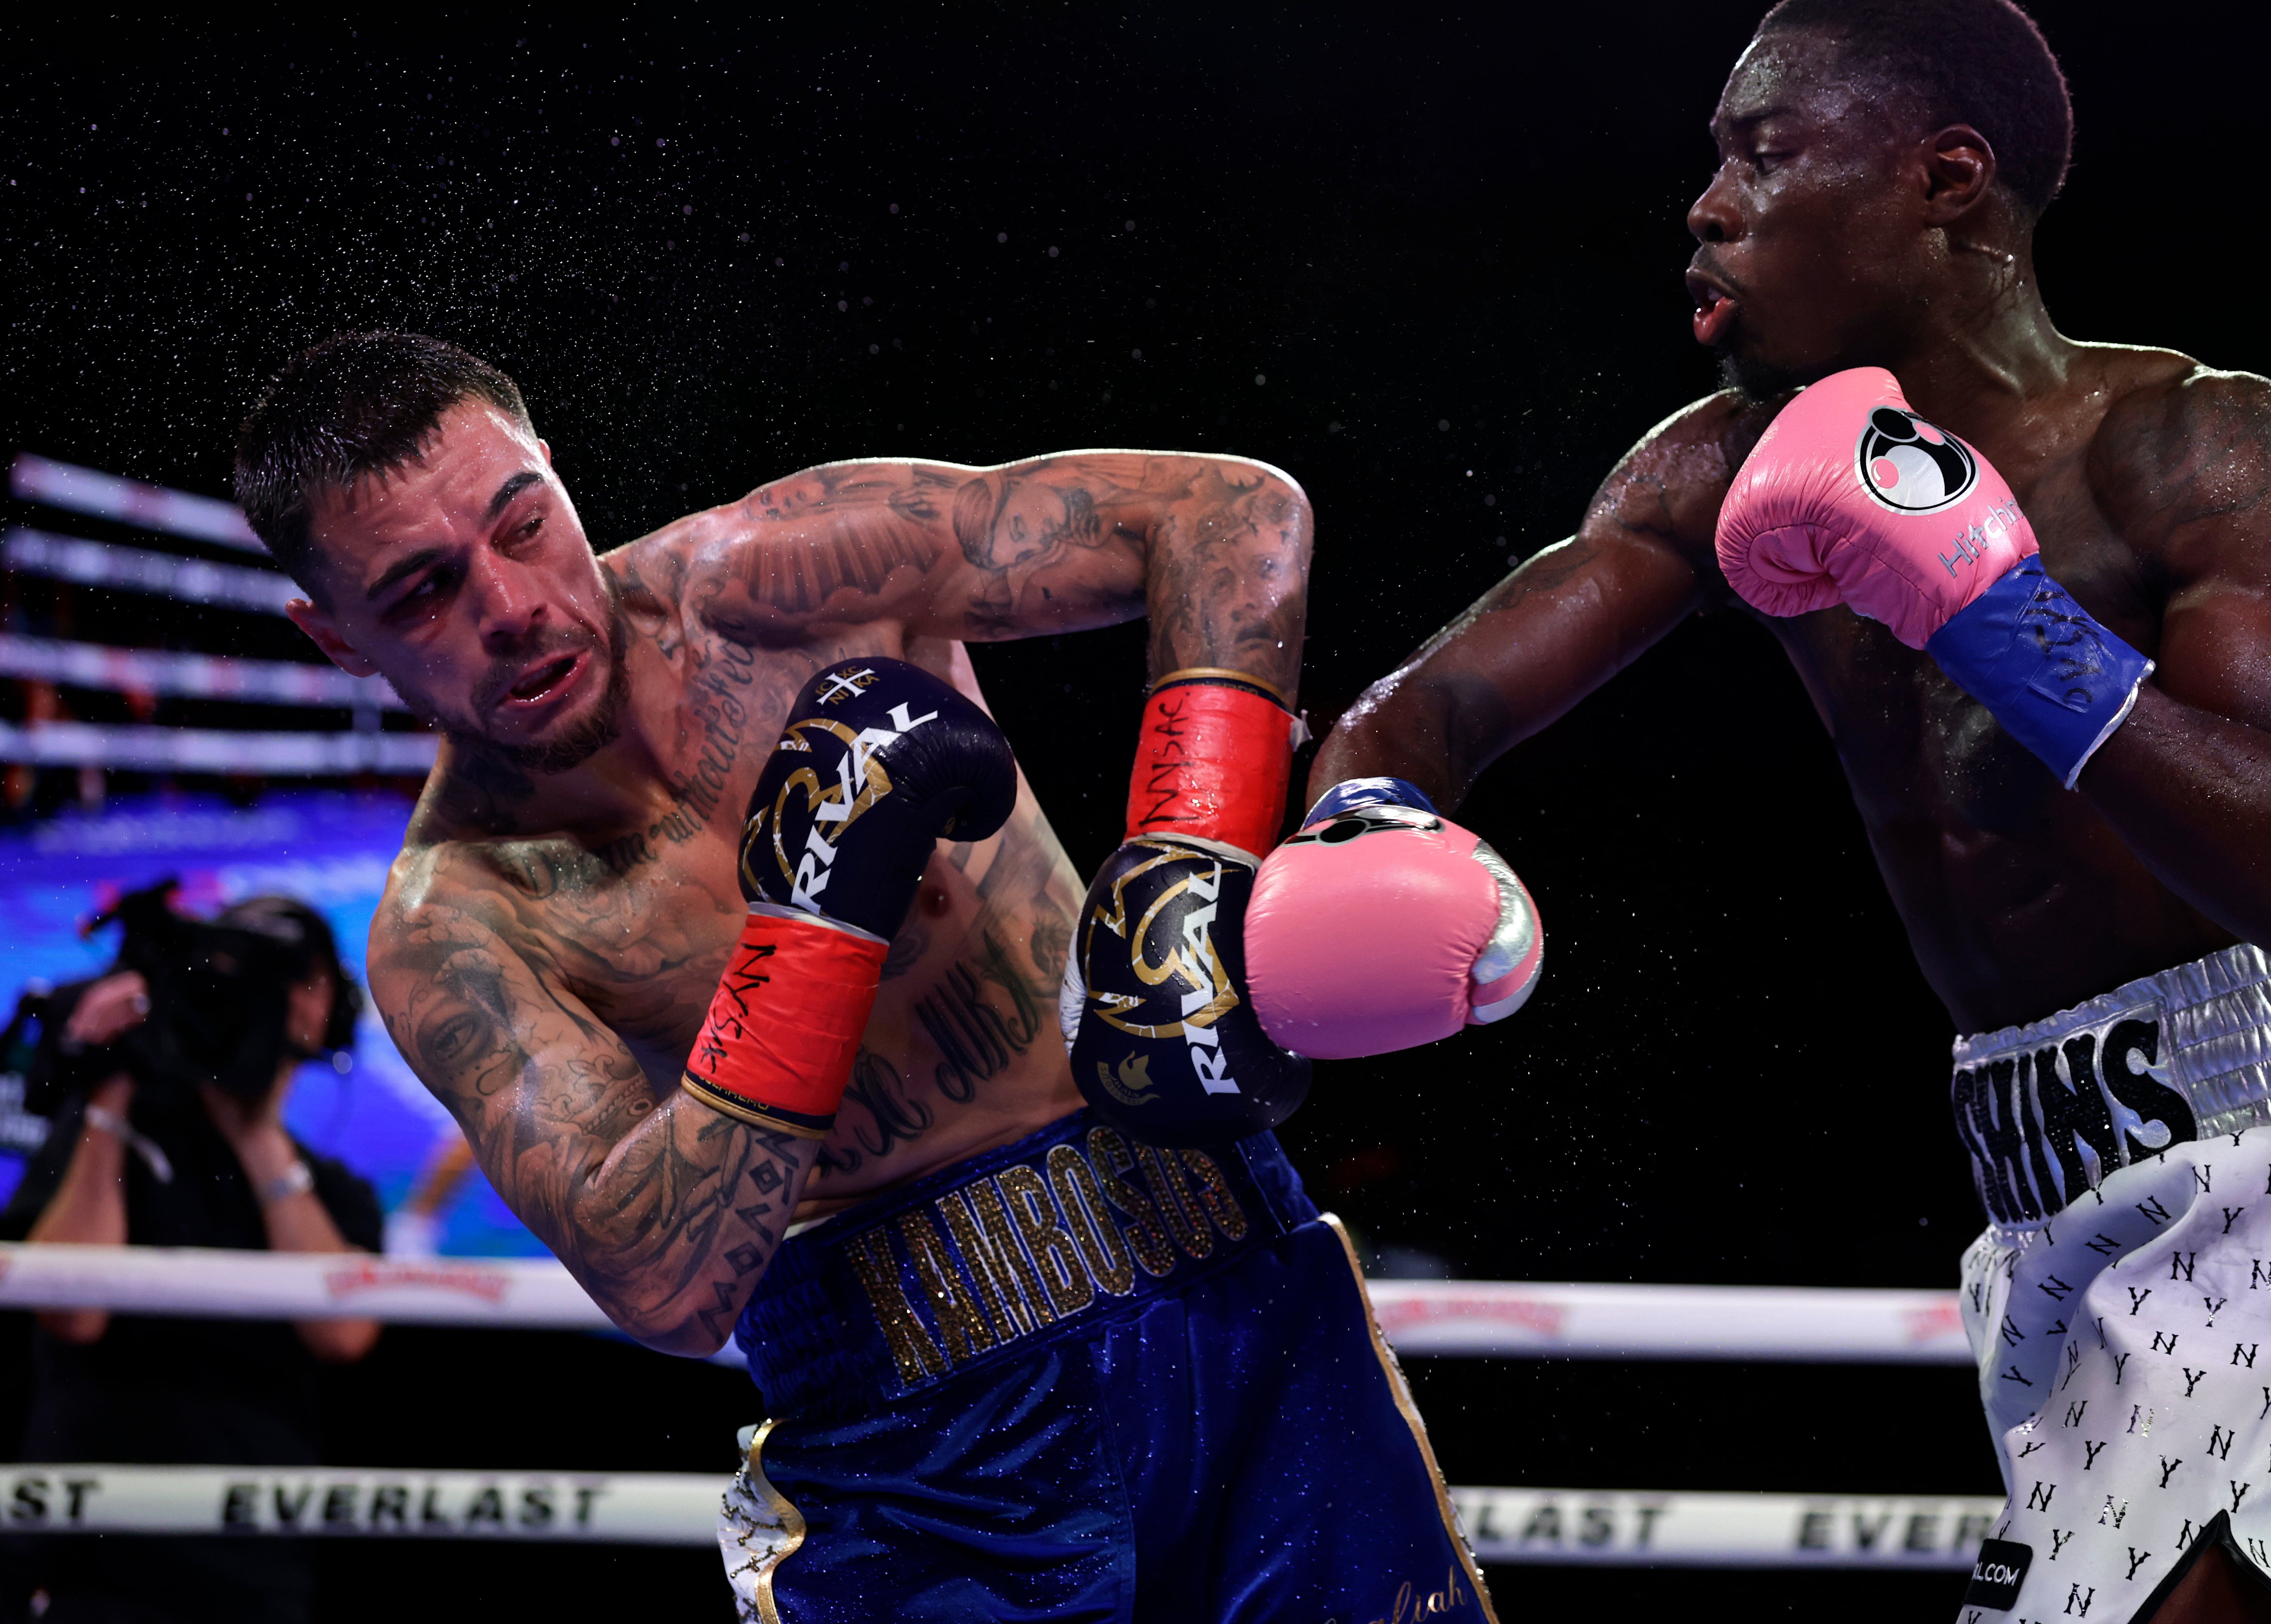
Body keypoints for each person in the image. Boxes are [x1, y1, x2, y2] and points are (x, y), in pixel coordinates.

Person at [1272, 0, 2271, 1623]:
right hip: (2039, 1200)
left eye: (1764, 153)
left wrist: (1994, 622)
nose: (1706, 208)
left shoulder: (2194, 443)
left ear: (1945, 179)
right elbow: (1415, 722)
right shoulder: (1715, 470)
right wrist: (1365, 837)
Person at [230, 332, 1493, 1621]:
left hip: (1239, 1297)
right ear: (334, 636)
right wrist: (817, 914)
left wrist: (1189, 856)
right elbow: (662, 1285)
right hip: (923, 1467)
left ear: (553, 472)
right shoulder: (462, 925)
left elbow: (1226, 512)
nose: (510, 607)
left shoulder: (789, 577)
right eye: (423, 591)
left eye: (522, 524)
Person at [0, 894, 384, 1624]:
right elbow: (71, 1310)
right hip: (84, 1556)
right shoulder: (108, 1146)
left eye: (296, 979)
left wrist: (253, 1129)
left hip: (248, 1565)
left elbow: (345, 1334)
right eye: (245, 974)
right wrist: (108, 1091)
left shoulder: (335, 1192)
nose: (274, 1000)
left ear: (329, 1007)